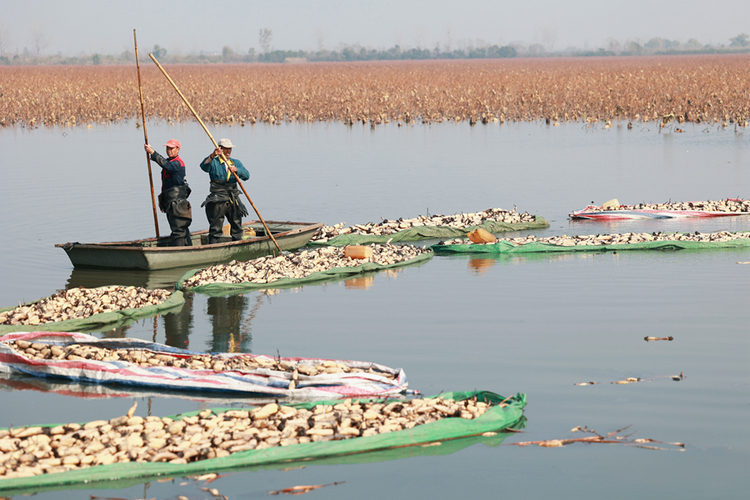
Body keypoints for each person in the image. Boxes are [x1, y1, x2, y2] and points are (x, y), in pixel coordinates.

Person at [199, 138, 250, 244]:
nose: (227, 152)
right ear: (220, 149)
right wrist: (213, 155)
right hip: (218, 198)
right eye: (225, 149)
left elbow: (246, 176)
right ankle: (213, 247)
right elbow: (203, 166)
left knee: (236, 226)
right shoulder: (214, 162)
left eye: (229, 149)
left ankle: (237, 246)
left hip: (233, 199)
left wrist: (237, 170)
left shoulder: (235, 162)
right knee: (215, 228)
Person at [144, 139, 192, 246]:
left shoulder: (178, 163)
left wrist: (153, 153)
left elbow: (168, 166)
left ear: (178, 149)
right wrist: (163, 203)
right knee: (179, 228)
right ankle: (187, 248)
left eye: (171, 148)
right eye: (167, 148)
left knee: (178, 230)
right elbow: (165, 185)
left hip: (178, 203)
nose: (169, 150)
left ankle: (181, 252)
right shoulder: (170, 163)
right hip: (170, 201)